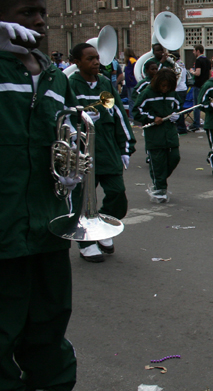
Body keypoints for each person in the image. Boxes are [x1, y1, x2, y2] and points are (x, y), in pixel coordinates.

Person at [0, 0, 82, 391]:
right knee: (3, 318)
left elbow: (69, 140)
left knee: (50, 315)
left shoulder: (53, 79)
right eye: (26, 12)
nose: (38, 21)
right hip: (4, 220)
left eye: (42, 12)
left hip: (49, 221)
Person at [68, 42, 136, 262]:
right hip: (81, 150)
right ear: (77, 62)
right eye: (89, 59)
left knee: (117, 194)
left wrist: (126, 147)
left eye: (96, 57)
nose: (96, 62)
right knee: (82, 199)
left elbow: (120, 117)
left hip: (106, 149)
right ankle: (86, 243)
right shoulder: (70, 85)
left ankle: (103, 227)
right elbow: (61, 115)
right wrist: (81, 121)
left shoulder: (105, 82)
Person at [132, 68, 181, 203]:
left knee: (175, 157)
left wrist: (176, 115)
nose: (165, 89)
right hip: (154, 133)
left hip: (170, 132)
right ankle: (160, 187)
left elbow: (177, 106)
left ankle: (159, 182)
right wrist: (152, 118)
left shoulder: (172, 93)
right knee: (157, 162)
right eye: (163, 85)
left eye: (168, 86)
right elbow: (136, 111)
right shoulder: (147, 93)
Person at [190, 45, 211, 132]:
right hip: (206, 85)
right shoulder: (207, 60)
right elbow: (210, 73)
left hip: (198, 85)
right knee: (206, 104)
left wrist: (192, 72)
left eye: (194, 50)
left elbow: (198, 73)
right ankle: (207, 122)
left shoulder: (198, 60)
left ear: (198, 51)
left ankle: (196, 124)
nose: (193, 52)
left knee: (197, 105)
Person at [123, 47, 138, 113]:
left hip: (132, 83)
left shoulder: (132, 60)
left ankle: (133, 116)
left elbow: (135, 70)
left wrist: (132, 79)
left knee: (132, 100)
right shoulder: (129, 60)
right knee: (130, 100)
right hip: (129, 83)